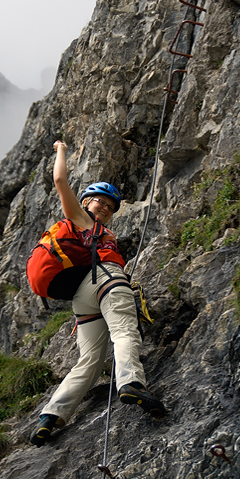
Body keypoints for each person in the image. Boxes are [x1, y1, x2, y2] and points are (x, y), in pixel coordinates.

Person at [30, 140, 166, 447]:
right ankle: (131, 382)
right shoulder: (81, 219)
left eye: (109, 206)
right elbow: (60, 181)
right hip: (105, 280)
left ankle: (50, 417)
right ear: (85, 202)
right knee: (124, 330)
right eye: (98, 201)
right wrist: (61, 150)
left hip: (84, 295)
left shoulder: (97, 232)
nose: (103, 207)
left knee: (89, 360)